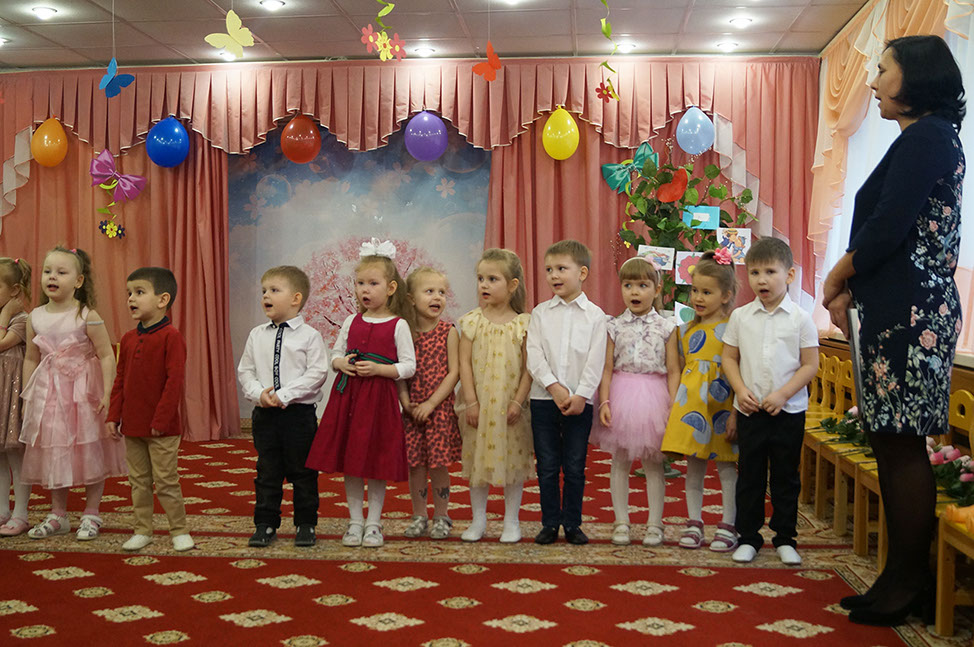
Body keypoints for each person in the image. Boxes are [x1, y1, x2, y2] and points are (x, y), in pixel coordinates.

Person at [822, 35, 966, 626]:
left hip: (912, 316)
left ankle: (907, 584)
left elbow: (886, 229)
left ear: (916, 78)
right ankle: (897, 578)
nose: (874, 81)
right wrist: (851, 289)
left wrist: (837, 275)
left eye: (883, 70)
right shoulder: (924, 137)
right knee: (890, 441)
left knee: (902, 445)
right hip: (899, 310)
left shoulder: (929, 135)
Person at [306, 239, 416, 549]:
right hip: (349, 400)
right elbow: (335, 354)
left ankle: (374, 523)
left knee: (375, 462)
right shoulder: (350, 321)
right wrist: (340, 363)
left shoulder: (398, 325)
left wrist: (381, 370)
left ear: (391, 288)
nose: (365, 290)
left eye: (373, 283)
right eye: (360, 283)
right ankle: (355, 521)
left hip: (379, 402)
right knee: (352, 461)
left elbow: (408, 366)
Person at [723, 237, 819, 566]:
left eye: (770, 272)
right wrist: (740, 390)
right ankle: (748, 537)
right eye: (754, 273)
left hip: (788, 411)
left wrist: (783, 394)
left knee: (785, 477)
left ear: (789, 275)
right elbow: (729, 358)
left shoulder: (801, 319)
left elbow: (810, 365)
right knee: (750, 475)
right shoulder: (740, 317)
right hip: (750, 410)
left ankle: (785, 538)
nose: (761, 280)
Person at [20, 246, 126, 540]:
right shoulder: (35, 317)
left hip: (83, 394)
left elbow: (106, 354)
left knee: (90, 449)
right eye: (47, 271)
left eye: (61, 272)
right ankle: (58, 514)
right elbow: (31, 358)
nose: (52, 277)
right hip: (50, 395)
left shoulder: (86, 315)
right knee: (54, 450)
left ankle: (91, 513)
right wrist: (27, 399)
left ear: (79, 281)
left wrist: (108, 392)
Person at [590, 256, 679, 547]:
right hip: (622, 395)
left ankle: (655, 523)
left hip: (655, 397)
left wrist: (673, 404)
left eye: (642, 285)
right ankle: (621, 521)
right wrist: (604, 401)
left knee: (654, 463)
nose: (634, 292)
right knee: (620, 461)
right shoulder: (613, 326)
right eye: (628, 285)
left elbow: (674, 369)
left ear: (657, 289)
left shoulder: (667, 327)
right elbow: (606, 368)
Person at [238, 265, 328, 548]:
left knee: (303, 472)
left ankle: (306, 523)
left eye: (274, 290)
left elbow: (317, 374)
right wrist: (259, 394)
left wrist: (285, 394)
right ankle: (265, 523)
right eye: (264, 290)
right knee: (267, 471)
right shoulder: (256, 335)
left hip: (298, 416)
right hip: (265, 415)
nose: (266, 295)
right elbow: (246, 371)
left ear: (295, 298)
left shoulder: (310, 336)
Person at [527, 240, 607, 545]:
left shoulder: (595, 316)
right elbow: (534, 355)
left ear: (582, 273)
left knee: (574, 466)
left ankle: (572, 523)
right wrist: (553, 386)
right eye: (549, 269)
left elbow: (596, 360)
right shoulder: (540, 313)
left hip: (579, 403)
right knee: (547, 466)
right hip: (543, 400)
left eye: (561, 268)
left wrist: (581, 395)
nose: (554, 275)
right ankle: (550, 522)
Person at [108, 267, 193, 552]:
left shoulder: (172, 337)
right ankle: (142, 530)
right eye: (129, 293)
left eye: (139, 292)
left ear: (162, 299)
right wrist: (113, 416)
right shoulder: (128, 339)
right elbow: (120, 379)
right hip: (132, 426)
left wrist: (161, 420)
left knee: (166, 481)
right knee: (138, 482)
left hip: (162, 429)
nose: (131, 298)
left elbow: (174, 382)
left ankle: (179, 530)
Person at [661, 249, 740, 552]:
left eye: (707, 292)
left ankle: (729, 524)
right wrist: (675, 406)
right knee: (694, 468)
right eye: (695, 290)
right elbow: (676, 371)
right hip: (692, 406)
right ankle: (694, 522)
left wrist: (736, 413)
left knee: (727, 468)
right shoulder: (683, 331)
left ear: (726, 295)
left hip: (723, 407)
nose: (698, 297)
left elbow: (741, 371)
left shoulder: (735, 328)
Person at [457, 249, 533, 543]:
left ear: (512, 285)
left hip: (511, 407)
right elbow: (464, 363)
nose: (484, 285)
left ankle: (511, 521)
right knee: (478, 462)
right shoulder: (471, 322)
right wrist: (470, 402)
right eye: (480, 279)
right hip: (479, 407)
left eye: (492, 279)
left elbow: (529, 368)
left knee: (513, 462)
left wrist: (517, 402)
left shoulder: (524, 324)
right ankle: (478, 520)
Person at [399, 267, 461, 540]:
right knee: (415, 465)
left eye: (442, 292)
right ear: (411, 298)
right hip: (412, 411)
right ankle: (419, 514)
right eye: (429, 291)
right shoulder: (404, 333)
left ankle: (442, 515)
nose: (437, 297)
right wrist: (406, 402)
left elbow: (454, 373)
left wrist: (432, 403)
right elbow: (399, 371)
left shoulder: (448, 332)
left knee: (438, 465)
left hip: (439, 411)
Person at [0, 258, 31, 537]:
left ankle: (21, 513)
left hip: (11, 396)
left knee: (15, 455)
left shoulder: (22, 320)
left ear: (14, 290)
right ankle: (2, 510)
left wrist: (6, 314)